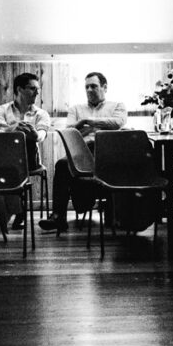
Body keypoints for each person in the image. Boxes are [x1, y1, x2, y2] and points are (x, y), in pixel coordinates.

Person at [38, 72, 128, 232]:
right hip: (82, 152)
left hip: (109, 154)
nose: (89, 90)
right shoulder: (75, 109)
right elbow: (69, 132)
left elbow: (117, 122)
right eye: (86, 86)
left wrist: (87, 122)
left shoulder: (117, 106)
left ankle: (120, 213)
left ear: (104, 87)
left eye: (93, 86)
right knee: (62, 164)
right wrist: (95, 126)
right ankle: (58, 217)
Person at [0, 72, 51, 229]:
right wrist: (14, 128)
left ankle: (14, 209)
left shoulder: (41, 114)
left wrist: (34, 135)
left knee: (27, 142)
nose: (37, 93)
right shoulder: (2, 110)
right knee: (2, 151)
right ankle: (18, 208)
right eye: (32, 89)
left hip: (29, 159)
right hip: (5, 157)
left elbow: (42, 135)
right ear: (19, 89)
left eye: (38, 89)